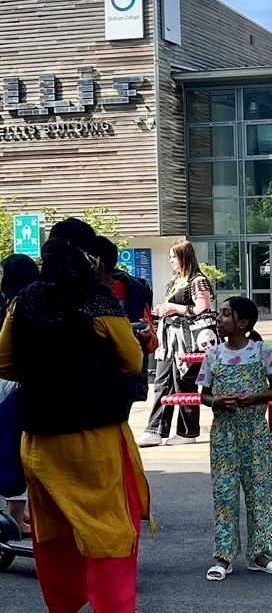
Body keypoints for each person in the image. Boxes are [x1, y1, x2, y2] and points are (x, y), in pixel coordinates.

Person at [0, 217, 152, 613]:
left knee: (55, 532)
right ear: (88, 259)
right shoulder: (99, 302)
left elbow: (3, 361)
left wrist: (44, 374)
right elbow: (133, 360)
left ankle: (64, 605)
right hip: (94, 439)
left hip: (39, 441)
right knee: (109, 531)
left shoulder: (24, 301)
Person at [198, 295, 272, 580]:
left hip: (255, 435)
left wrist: (256, 397)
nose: (219, 319)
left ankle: (260, 553)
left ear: (242, 323)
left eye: (225, 314)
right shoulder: (213, 355)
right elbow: (204, 394)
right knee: (225, 494)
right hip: (224, 436)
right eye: (220, 314)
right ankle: (223, 556)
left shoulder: (261, 352)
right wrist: (216, 402)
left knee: (259, 493)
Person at [139, 239, 214, 447]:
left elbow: (202, 307)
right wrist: (163, 310)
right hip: (169, 337)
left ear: (184, 257)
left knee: (184, 381)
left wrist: (174, 308)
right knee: (162, 381)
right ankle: (155, 429)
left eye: (174, 257)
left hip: (188, 339)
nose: (171, 260)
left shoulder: (198, 280)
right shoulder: (174, 281)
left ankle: (188, 430)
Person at [0, 253, 39, 537]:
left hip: (6, 382)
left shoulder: (10, 302)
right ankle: (17, 515)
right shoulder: (30, 303)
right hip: (19, 383)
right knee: (18, 448)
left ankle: (18, 514)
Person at [92, 236, 157, 404]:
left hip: (111, 378)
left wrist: (146, 337)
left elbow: (152, 341)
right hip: (126, 379)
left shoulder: (133, 291)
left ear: (98, 264)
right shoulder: (136, 289)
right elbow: (152, 341)